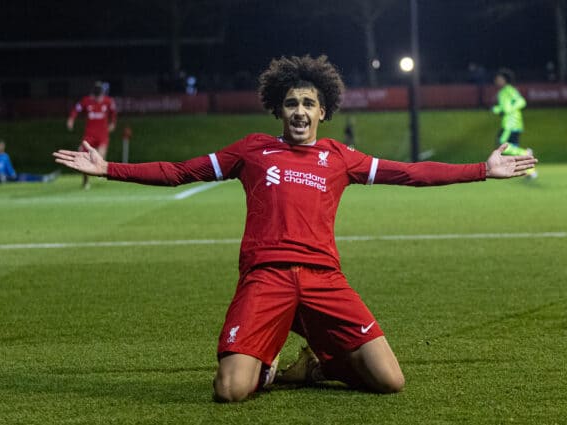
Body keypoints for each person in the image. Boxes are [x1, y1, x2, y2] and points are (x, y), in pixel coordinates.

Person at [54, 55, 537, 403]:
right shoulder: (252, 150)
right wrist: (109, 168)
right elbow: (181, 171)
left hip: (325, 280)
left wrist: (480, 168)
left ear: (324, 111)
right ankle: (265, 363)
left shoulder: (339, 158)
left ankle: (316, 363)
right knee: (230, 390)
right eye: (291, 103)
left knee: (390, 381)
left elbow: (409, 173)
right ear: (278, 110)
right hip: (266, 279)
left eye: (309, 103)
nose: (300, 112)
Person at [67, 81, 117, 189]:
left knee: (101, 156)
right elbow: (76, 109)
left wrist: (113, 123)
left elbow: (113, 112)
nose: (99, 98)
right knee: (82, 155)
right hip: (89, 135)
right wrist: (71, 119)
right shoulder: (86, 101)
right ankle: (85, 181)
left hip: (102, 134)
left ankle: (101, 172)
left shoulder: (108, 101)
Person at [492, 68, 537, 178]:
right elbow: (504, 108)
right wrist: (497, 109)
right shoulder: (504, 92)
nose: (496, 81)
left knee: (502, 143)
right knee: (512, 148)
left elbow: (522, 102)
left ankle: (525, 153)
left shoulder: (508, 90)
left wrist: (508, 110)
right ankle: (530, 172)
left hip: (510, 123)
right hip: (513, 123)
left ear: (505, 80)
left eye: (499, 79)